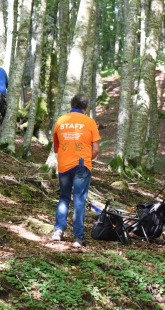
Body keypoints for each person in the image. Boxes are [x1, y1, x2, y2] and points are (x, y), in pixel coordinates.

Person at [51, 94, 101, 248]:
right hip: (81, 165)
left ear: (71, 104)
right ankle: (78, 238)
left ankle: (58, 230)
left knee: (64, 197)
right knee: (79, 199)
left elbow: (56, 148)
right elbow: (96, 149)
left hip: (64, 165)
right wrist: (87, 159)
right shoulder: (90, 122)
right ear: (85, 108)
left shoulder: (61, 121)